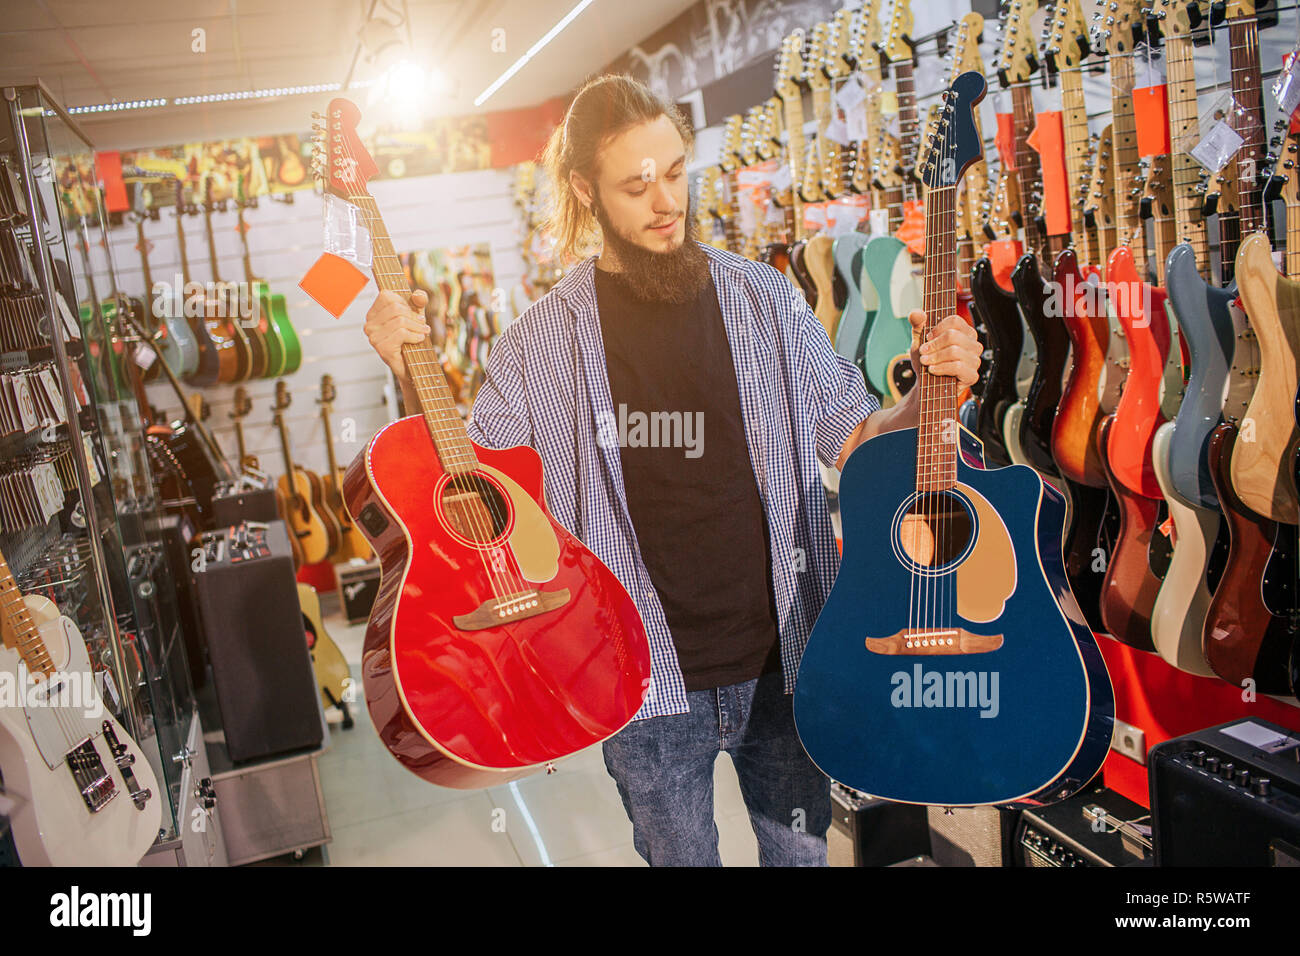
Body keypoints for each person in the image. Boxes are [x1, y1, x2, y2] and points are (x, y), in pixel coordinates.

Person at [363, 74, 983, 866]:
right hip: (639, 679)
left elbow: (857, 434)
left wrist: (934, 393)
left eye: (676, 172)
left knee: (802, 860)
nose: (666, 202)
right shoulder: (537, 345)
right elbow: (479, 505)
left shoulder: (766, 299)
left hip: (790, 658)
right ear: (585, 190)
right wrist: (408, 369)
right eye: (637, 184)